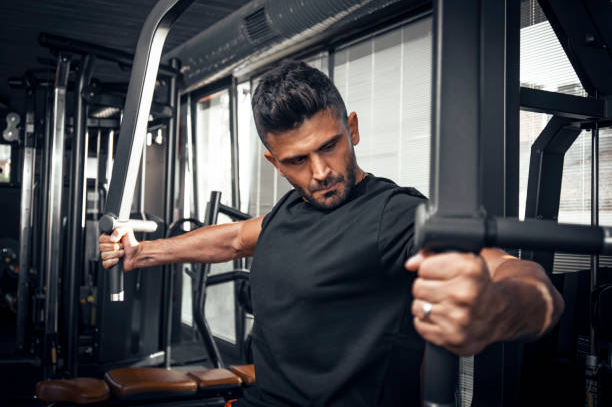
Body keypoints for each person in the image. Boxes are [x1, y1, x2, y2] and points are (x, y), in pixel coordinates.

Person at [99, 60, 564, 406]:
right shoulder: (291, 208)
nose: (320, 172)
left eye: (330, 146)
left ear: (352, 129)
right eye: (297, 161)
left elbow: (519, 275)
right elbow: (235, 238)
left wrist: (496, 309)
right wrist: (143, 252)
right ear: (274, 163)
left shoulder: (396, 213)